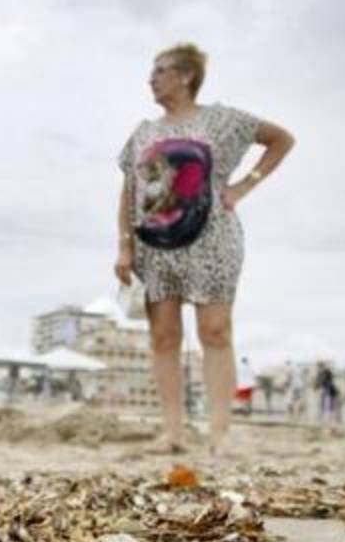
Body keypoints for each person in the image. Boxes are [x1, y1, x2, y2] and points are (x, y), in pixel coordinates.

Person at [115, 43, 295, 456]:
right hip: (155, 245)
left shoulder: (222, 120)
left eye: (160, 71)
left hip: (212, 240)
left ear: (185, 76)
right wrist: (124, 245)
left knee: (215, 331)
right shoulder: (143, 132)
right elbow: (128, 191)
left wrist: (245, 184)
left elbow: (281, 139)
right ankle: (173, 433)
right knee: (163, 336)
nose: (151, 79)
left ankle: (220, 434)